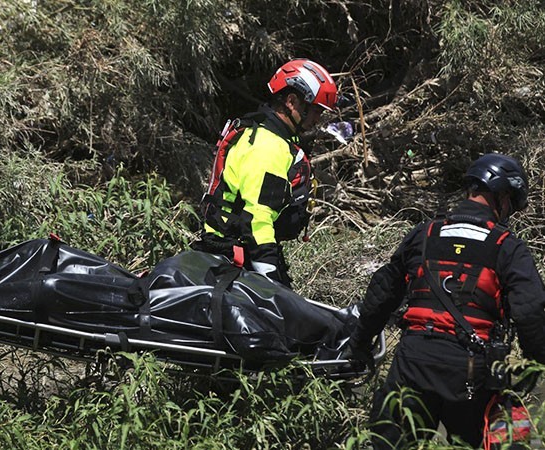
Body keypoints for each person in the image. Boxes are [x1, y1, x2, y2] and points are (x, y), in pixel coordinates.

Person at [345, 153, 545, 447]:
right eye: (511, 204)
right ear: (501, 196)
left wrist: (359, 344)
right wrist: (535, 364)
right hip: (470, 370)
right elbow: (531, 312)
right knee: (511, 437)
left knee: (389, 442)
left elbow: (382, 293)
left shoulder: (424, 234)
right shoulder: (507, 247)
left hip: (412, 361)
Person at [193, 59, 338, 288]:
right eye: (315, 110)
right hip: (238, 256)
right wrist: (269, 279)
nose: (317, 119)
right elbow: (256, 218)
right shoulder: (267, 146)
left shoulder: (265, 135)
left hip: (240, 251)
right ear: (292, 102)